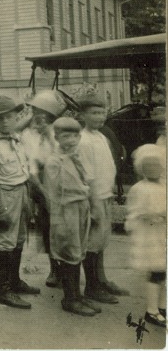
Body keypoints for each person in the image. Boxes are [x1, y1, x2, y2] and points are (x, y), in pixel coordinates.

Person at [0, 95, 39, 309]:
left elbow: (25, 171)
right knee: (4, 241)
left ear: (16, 118)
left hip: (21, 194)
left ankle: (14, 281)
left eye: (9, 117)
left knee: (19, 239)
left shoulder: (17, 141)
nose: (5, 122)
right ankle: (3, 291)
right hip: (4, 197)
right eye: (1, 118)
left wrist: (30, 198)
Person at [44, 117, 101, 317]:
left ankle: (77, 295)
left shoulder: (76, 156)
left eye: (74, 135)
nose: (71, 140)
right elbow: (55, 191)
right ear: (57, 137)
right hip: (65, 210)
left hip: (80, 207)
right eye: (65, 136)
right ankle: (69, 298)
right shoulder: (54, 161)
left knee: (79, 251)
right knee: (70, 253)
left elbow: (87, 178)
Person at [77, 95, 127, 303]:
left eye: (102, 112)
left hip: (105, 195)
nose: (100, 117)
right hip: (93, 198)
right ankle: (91, 287)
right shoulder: (84, 140)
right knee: (92, 243)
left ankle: (101, 279)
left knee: (101, 241)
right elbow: (86, 176)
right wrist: (94, 204)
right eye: (94, 113)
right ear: (82, 116)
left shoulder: (101, 136)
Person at [21, 90, 67, 288]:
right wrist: (42, 192)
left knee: (65, 229)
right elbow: (31, 165)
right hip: (40, 184)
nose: (38, 117)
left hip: (61, 183)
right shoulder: (27, 135)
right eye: (35, 112)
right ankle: (54, 268)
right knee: (47, 227)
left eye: (43, 114)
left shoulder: (59, 133)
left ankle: (68, 268)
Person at [125, 144, 166, 327]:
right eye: (147, 166)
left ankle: (163, 306)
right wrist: (152, 216)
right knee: (156, 272)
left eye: (157, 165)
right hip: (150, 237)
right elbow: (134, 213)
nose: (153, 169)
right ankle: (152, 310)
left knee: (163, 273)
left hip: (162, 235)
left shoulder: (164, 186)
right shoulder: (139, 189)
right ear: (141, 169)